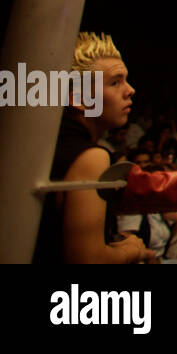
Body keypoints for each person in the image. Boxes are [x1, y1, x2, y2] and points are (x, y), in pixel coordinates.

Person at [33, 32, 154, 264]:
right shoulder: (91, 157)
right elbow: (88, 260)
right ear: (78, 98)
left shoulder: (43, 144)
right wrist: (133, 249)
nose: (130, 90)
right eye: (115, 82)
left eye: (125, 79)